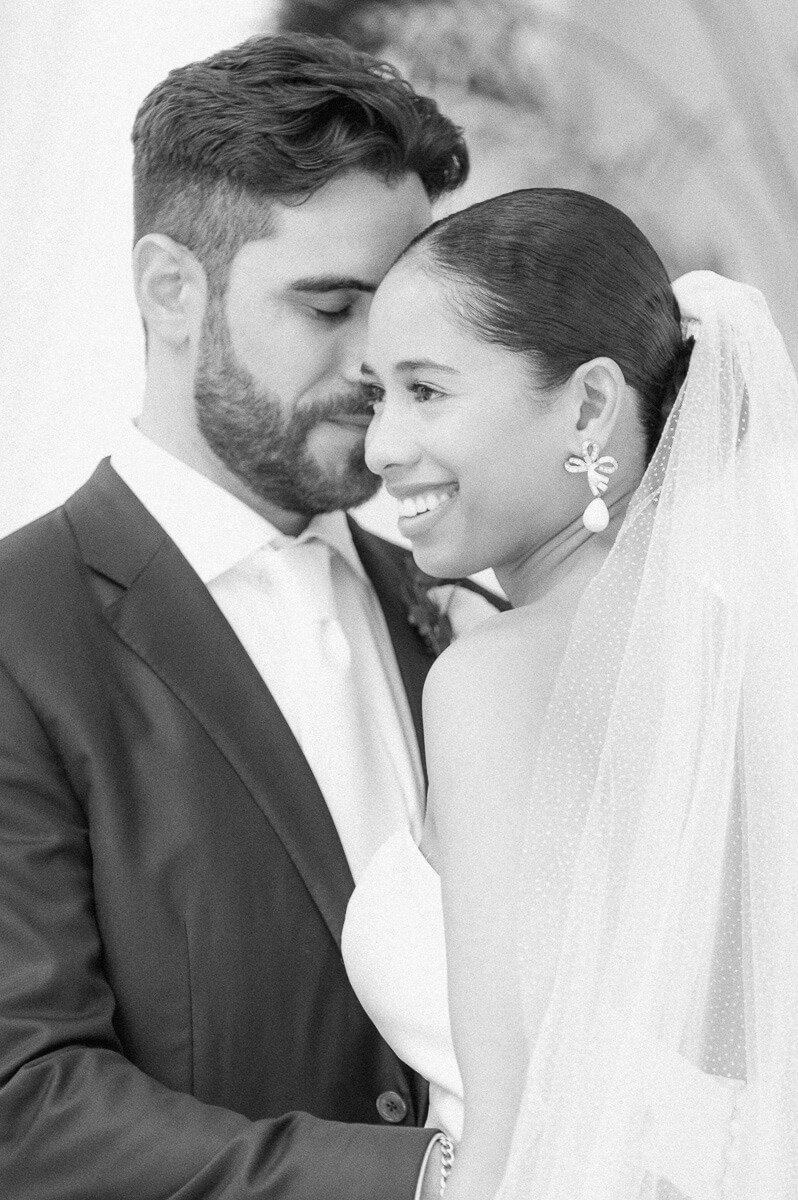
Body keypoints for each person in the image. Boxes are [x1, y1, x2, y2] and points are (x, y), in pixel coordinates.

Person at [0, 32, 508, 1200]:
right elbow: (27, 1105)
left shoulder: (458, 610)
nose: (382, 365)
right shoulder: (22, 635)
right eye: (329, 305)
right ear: (171, 290)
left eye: (400, 309)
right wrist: (431, 1182)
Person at [343, 188, 798, 1198]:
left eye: (425, 390)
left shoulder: (492, 678)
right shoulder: (744, 666)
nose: (380, 447)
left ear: (590, 406)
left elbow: (520, 1132)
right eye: (377, 395)